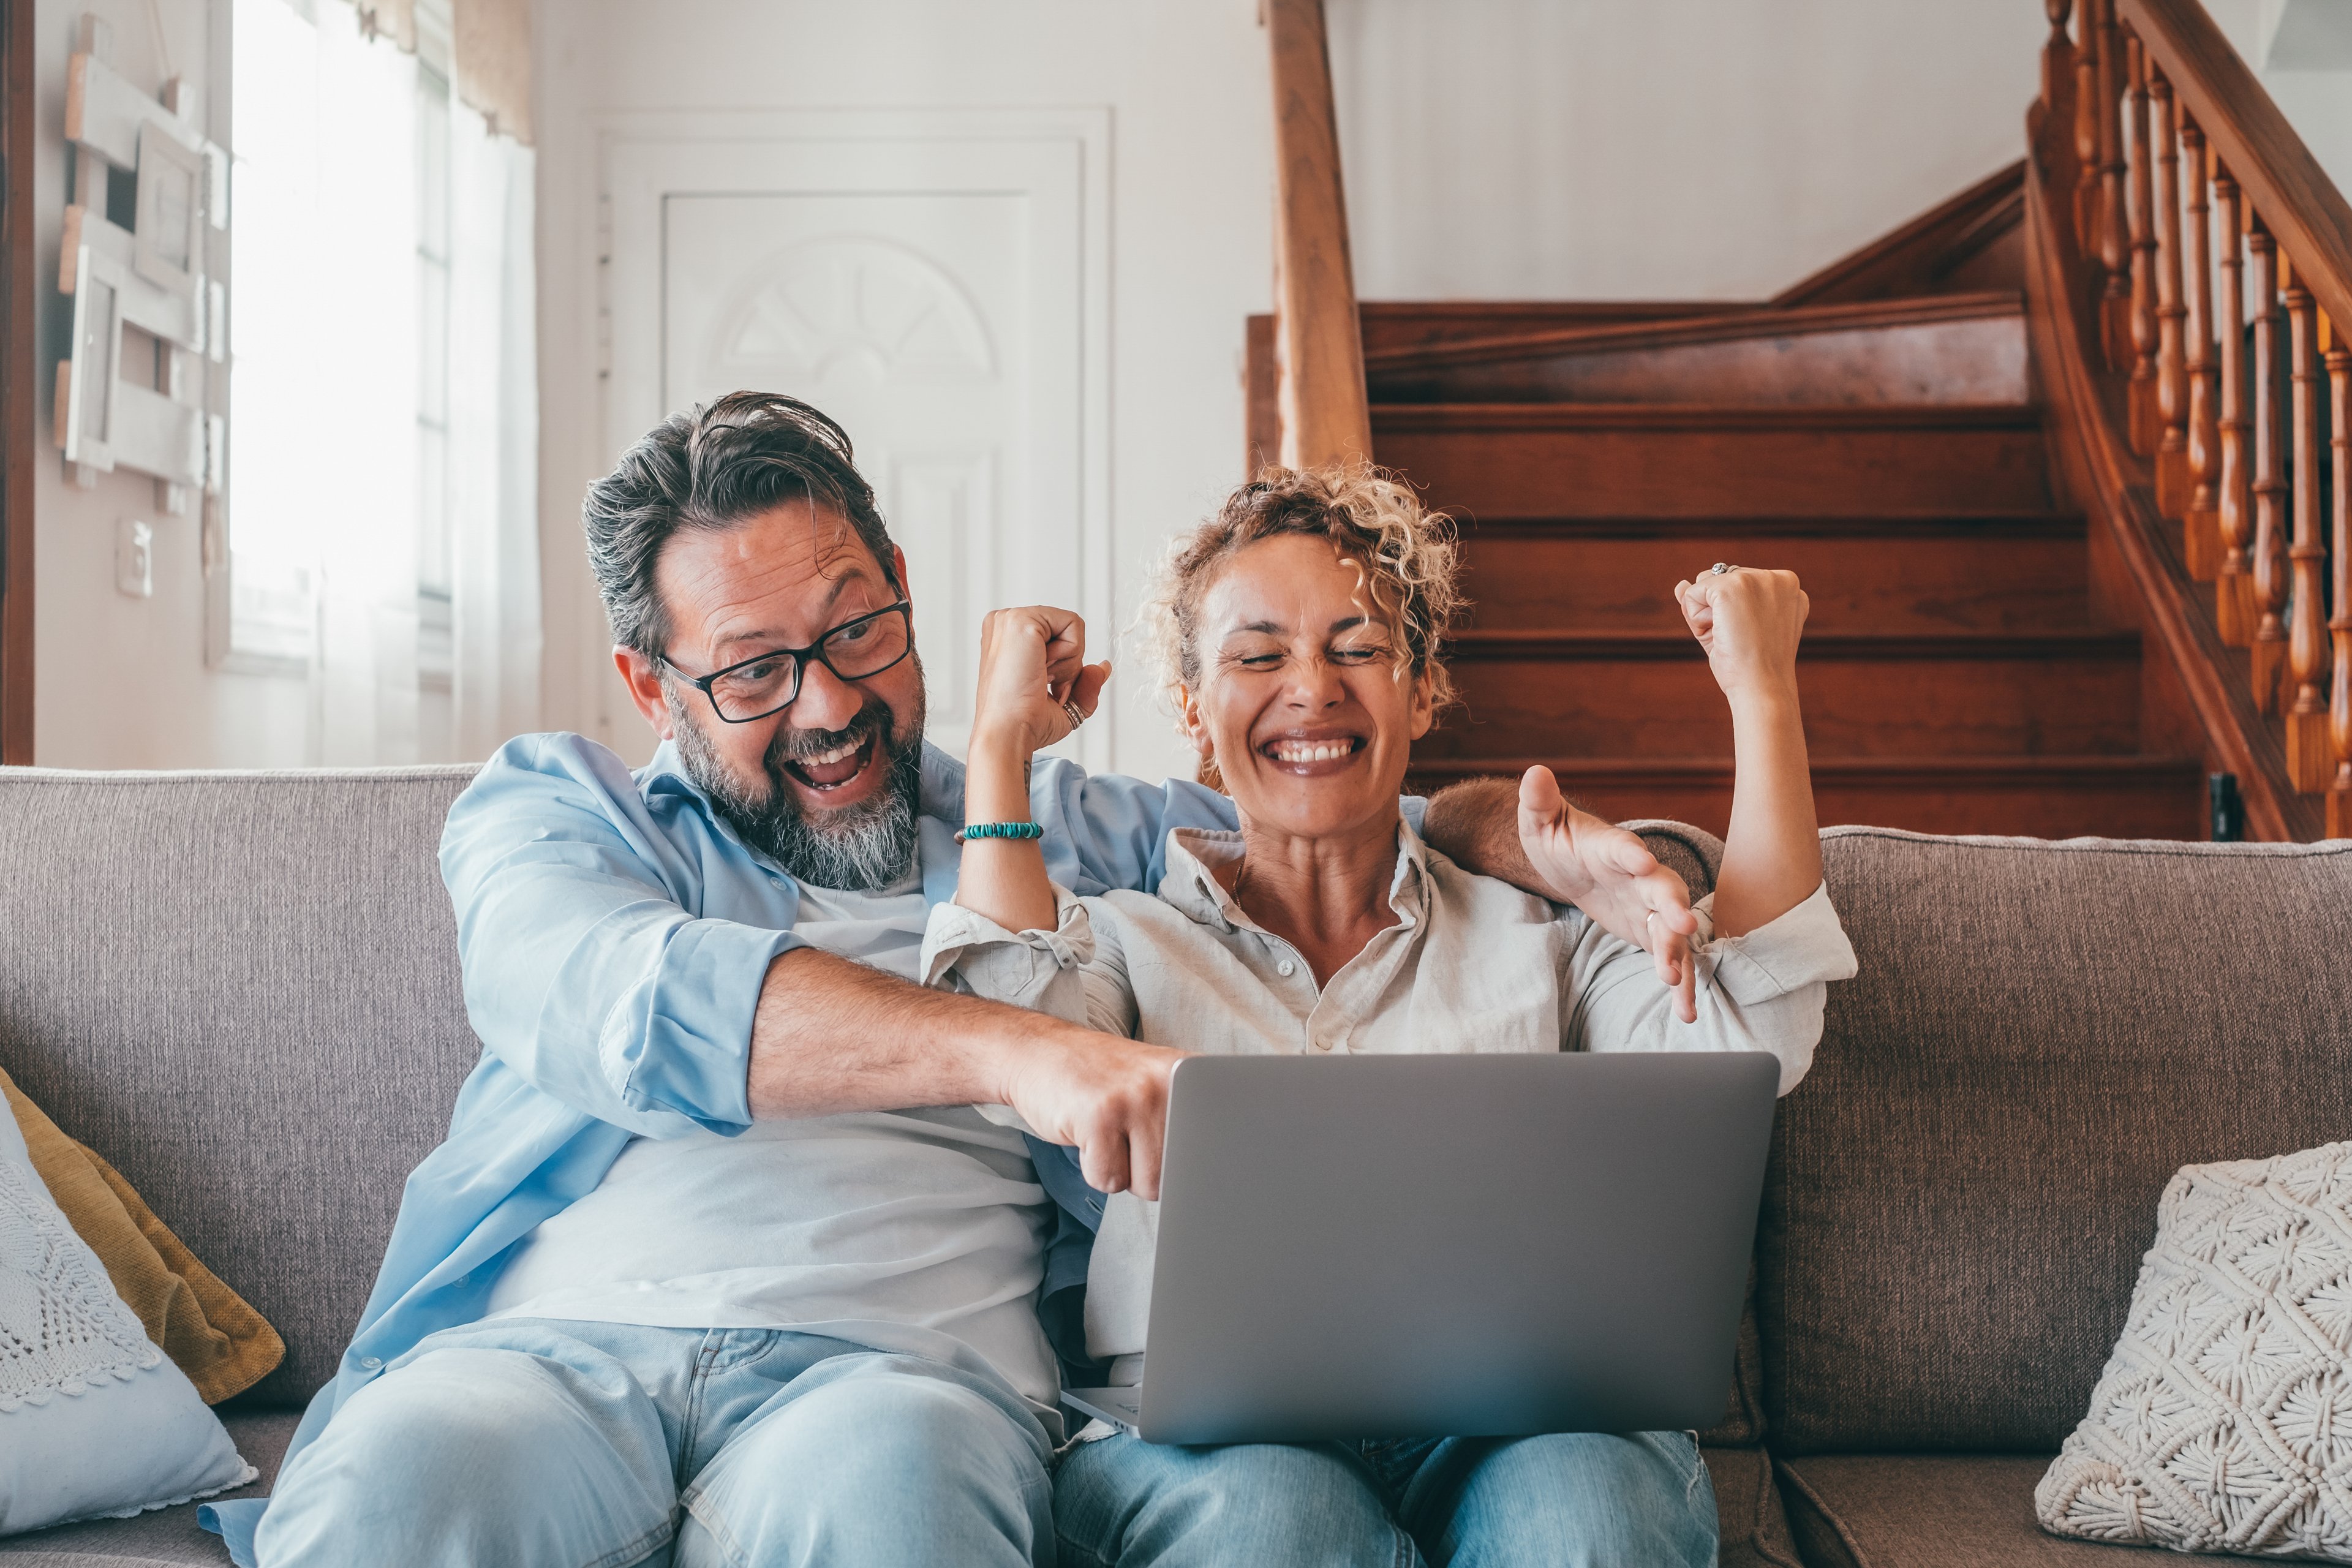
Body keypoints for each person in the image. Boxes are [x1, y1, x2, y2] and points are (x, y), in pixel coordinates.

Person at [202, 394, 1705, 1568]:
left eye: (858, 627)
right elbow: (622, 996)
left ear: (906, 586)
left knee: (898, 1496)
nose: (831, 701)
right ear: (652, 684)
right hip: (554, 1345)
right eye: (754, 669)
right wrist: (1017, 1053)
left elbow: (1313, 811)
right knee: (399, 1483)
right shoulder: (562, 815)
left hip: (901, 1370)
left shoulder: (1070, 833)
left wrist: (1534, 834)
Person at [922, 464, 1860, 1568]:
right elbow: (1003, 1032)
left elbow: (1749, 1035)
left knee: (1589, 1513)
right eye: (1259, 655)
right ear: (1192, 711)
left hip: (1521, 1424)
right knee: (1277, 1525)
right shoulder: (1128, 944)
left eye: (1356, 647)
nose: (1311, 687)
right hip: (1213, 1448)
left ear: (1420, 692)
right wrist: (997, 749)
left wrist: (1763, 692)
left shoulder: (1544, 930)